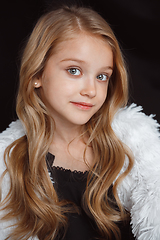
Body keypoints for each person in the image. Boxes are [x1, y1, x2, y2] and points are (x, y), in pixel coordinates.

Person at [0, 5, 160, 240]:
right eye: (74, 70)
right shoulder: (8, 163)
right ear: (36, 74)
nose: (91, 90)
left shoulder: (136, 147)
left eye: (102, 76)